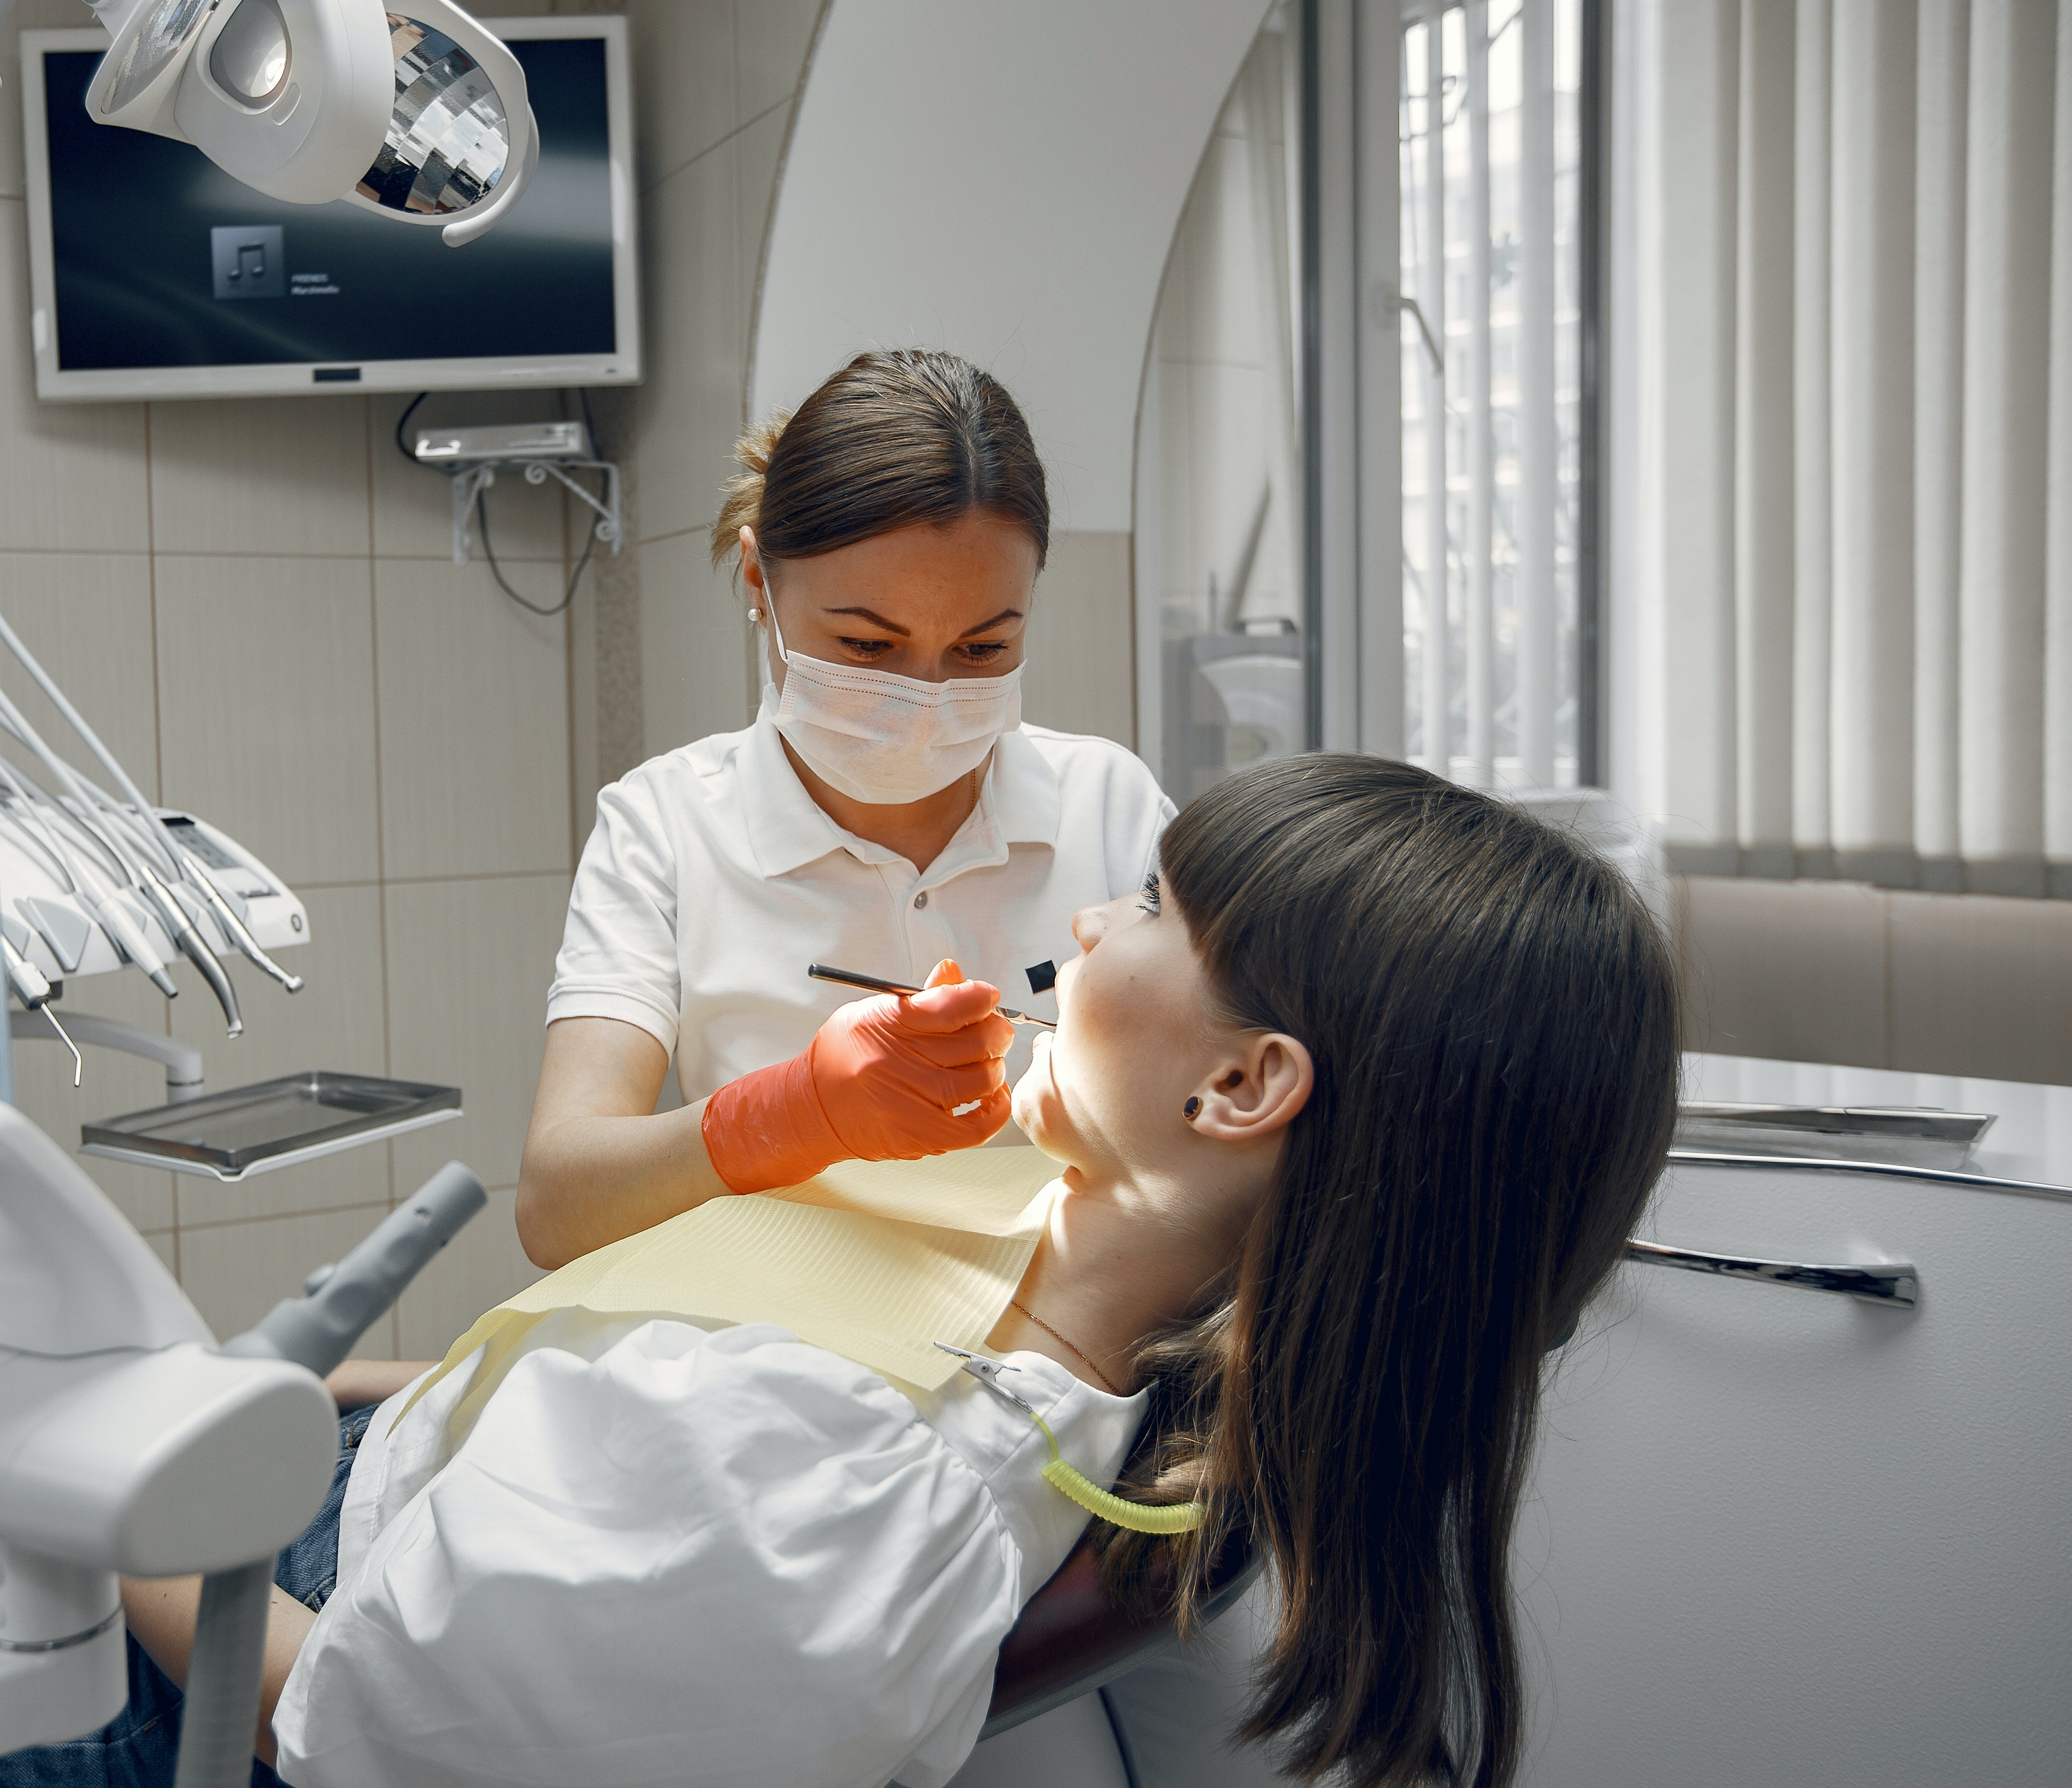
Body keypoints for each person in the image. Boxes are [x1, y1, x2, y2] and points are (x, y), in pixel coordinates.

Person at [110, 752, 1681, 1788]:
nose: (1085, 916)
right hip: (316, 1484)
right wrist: (301, 1390)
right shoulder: (1052, 1230)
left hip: (202, 1649)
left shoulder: (844, 1482)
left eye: (1148, 907)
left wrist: (97, 1477)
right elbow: (625, 1330)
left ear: (1241, 1091)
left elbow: (349, 1730)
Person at [518, 349, 1173, 1271]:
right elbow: (557, 1209)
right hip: (786, 1355)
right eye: (867, 646)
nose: (926, 697)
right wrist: (792, 1113)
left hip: (1058, 1361)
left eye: (983, 648)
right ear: (758, 583)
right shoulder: (664, 825)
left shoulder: (1110, 807)